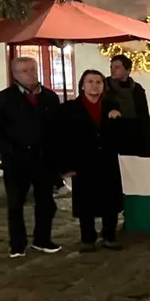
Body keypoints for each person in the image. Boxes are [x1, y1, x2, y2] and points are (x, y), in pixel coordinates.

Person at [0, 57, 62, 257]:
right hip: (16, 159)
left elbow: (57, 129)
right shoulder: (3, 98)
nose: (30, 73)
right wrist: (8, 150)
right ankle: (17, 244)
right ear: (15, 74)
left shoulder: (50, 98)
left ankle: (42, 240)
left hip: (43, 159)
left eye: (33, 69)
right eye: (24, 70)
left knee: (46, 202)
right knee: (16, 204)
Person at [57, 70, 125, 252]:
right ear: (82, 85)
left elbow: (121, 135)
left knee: (110, 200)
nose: (94, 85)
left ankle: (109, 236)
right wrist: (66, 166)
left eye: (98, 82)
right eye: (90, 81)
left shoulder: (112, 105)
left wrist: (117, 120)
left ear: (104, 85)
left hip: (107, 160)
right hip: (82, 161)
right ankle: (88, 238)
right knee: (85, 200)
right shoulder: (70, 108)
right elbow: (62, 139)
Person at [106, 54, 150, 120]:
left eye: (117, 67)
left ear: (128, 70)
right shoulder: (105, 85)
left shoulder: (137, 89)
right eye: (111, 67)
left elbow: (144, 114)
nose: (113, 70)